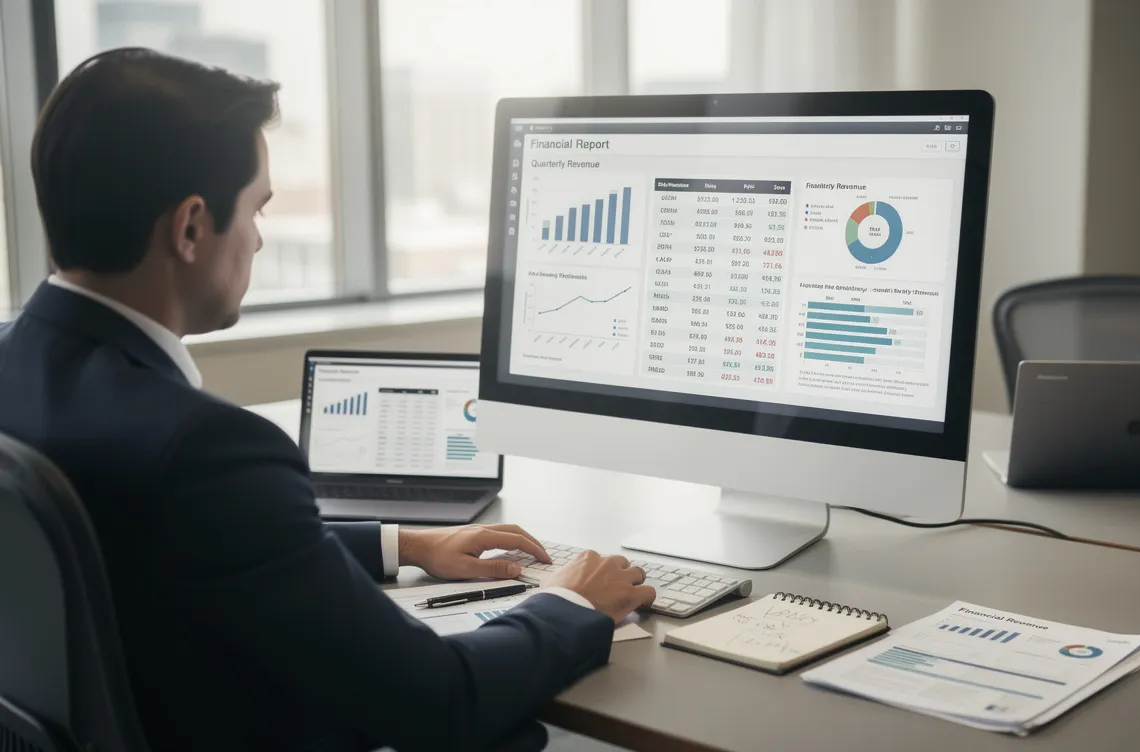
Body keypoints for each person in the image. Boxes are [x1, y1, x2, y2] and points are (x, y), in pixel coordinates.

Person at [0, 48, 655, 751]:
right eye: (256, 208)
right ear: (191, 227)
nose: (256, 237)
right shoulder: (202, 448)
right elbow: (440, 700)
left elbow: (181, 539)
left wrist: (405, 544)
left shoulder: (21, 366)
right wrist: (570, 602)